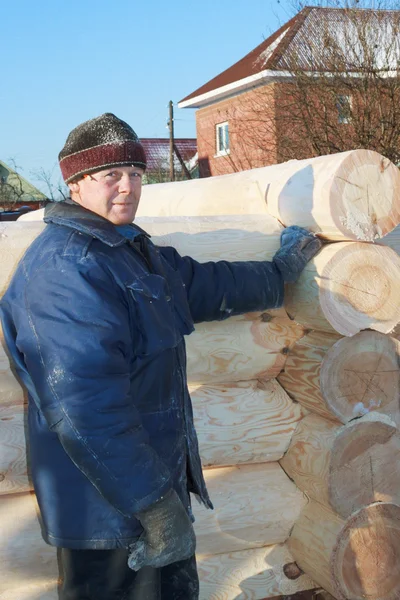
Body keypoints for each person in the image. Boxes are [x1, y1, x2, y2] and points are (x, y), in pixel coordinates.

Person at [0, 113, 321, 600]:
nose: (127, 187)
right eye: (111, 175)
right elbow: (86, 410)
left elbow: (202, 284)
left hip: (141, 487)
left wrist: (280, 273)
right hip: (105, 508)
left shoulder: (124, 251)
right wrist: (154, 507)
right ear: (77, 183)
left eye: (135, 174)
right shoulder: (68, 270)